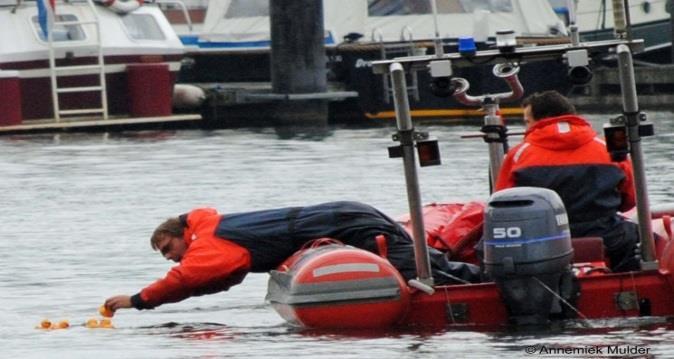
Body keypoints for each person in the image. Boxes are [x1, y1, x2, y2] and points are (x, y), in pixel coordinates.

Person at [105, 201, 481, 311]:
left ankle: (489, 283)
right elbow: (221, 279)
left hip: (348, 224)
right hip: (346, 214)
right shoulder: (215, 231)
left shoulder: (209, 242)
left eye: (169, 250)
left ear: (178, 235)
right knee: (425, 265)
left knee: (427, 272)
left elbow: (188, 278)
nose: (171, 259)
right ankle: (481, 274)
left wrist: (137, 300)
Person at [494, 90, 640, 272]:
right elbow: (630, 201)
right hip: (607, 237)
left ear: (542, 119)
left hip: (539, 241)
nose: (526, 128)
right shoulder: (609, 148)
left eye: (527, 122)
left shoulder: (518, 155)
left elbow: (503, 208)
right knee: (640, 240)